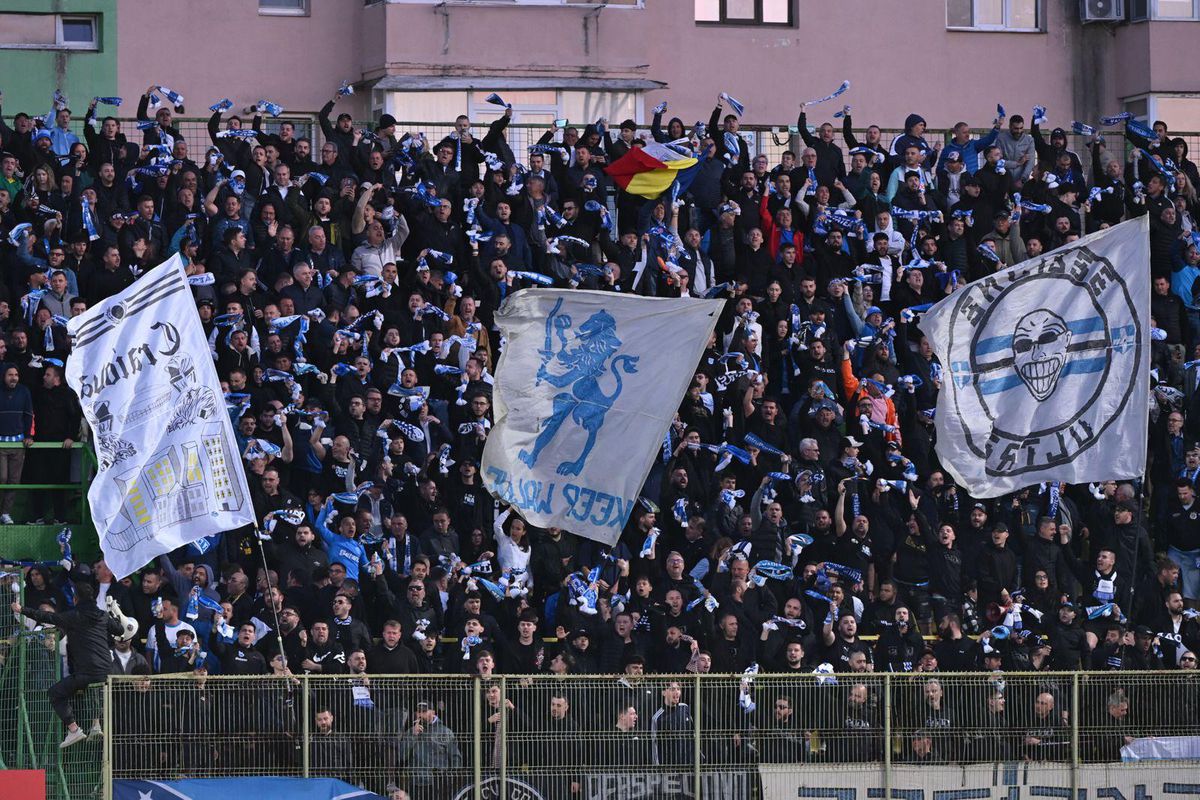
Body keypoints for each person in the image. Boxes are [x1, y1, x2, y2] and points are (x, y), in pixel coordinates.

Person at [12, 582, 123, 747]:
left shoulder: (73, 616)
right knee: (89, 689)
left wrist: (22, 609)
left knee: (55, 693)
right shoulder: (103, 615)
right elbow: (120, 630)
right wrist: (114, 614)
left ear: (75, 599)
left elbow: (46, 617)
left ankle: (74, 729)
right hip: (107, 670)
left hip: (86, 672)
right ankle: (95, 725)